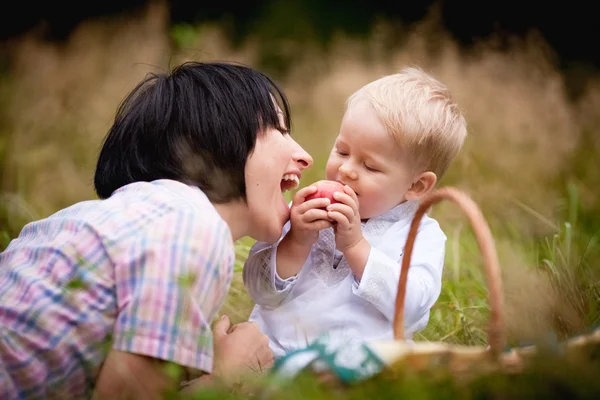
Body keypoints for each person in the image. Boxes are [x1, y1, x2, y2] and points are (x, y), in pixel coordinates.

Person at [0, 61, 313, 399]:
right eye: (279, 131)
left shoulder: (113, 219)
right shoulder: (194, 229)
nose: (305, 156)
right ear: (215, 139)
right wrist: (227, 373)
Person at [243, 67, 468, 358]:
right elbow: (257, 290)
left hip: (357, 370)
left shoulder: (420, 236)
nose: (347, 170)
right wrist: (296, 241)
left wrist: (355, 246)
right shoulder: (304, 212)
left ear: (416, 185)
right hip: (272, 355)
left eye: (370, 166)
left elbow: (411, 310)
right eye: (342, 151)